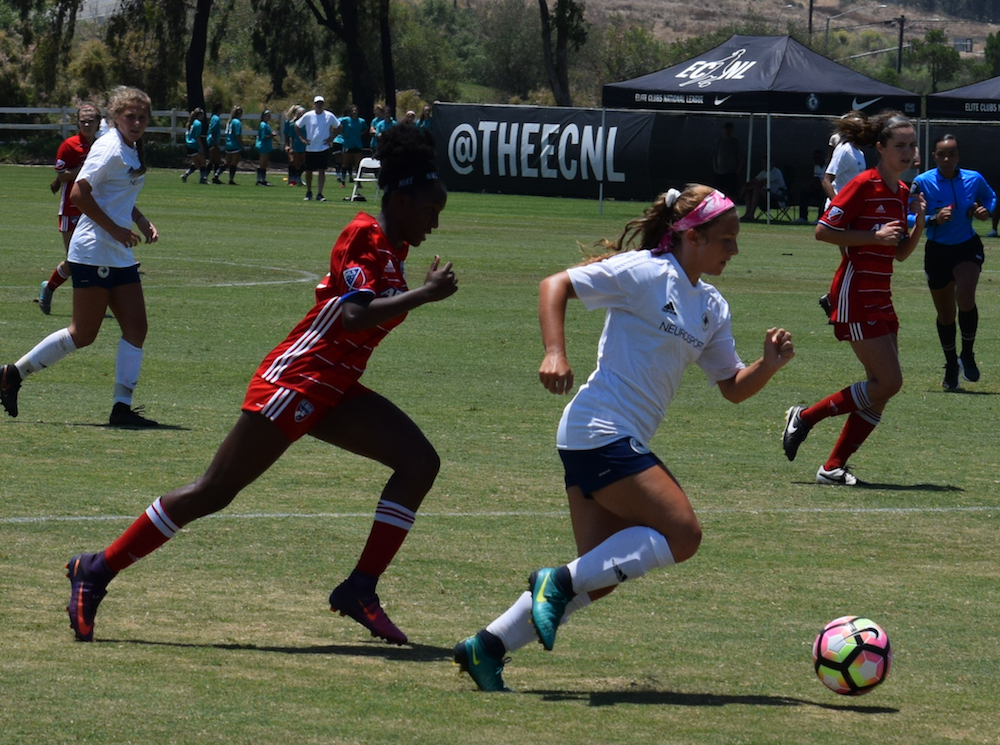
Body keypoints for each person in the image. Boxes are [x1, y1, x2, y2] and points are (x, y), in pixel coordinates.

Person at [62, 123, 458, 646]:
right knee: (214, 491)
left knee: (419, 462)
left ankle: (360, 588)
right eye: (432, 209)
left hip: (334, 387)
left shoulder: (393, 250)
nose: (435, 221)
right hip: (296, 380)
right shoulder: (364, 233)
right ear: (403, 198)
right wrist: (422, 297)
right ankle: (96, 569)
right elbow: (353, 319)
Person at [454, 185, 796, 691]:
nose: (735, 250)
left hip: (603, 437)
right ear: (693, 238)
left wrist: (767, 367)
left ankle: (487, 647)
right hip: (600, 428)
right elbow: (555, 285)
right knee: (684, 535)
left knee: (599, 576)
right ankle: (555, 581)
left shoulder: (712, 306)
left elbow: (731, 388)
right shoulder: (646, 271)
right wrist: (554, 352)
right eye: (726, 239)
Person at [1, 86, 160, 427]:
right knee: (83, 333)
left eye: (142, 117)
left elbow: (115, 196)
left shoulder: (130, 147)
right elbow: (78, 193)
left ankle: (121, 409)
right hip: (94, 250)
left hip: (116, 252)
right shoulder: (110, 147)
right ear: (116, 117)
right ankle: (12, 373)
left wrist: (140, 220)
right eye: (129, 116)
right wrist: (116, 230)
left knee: (136, 327)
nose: (136, 122)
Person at [782, 111, 926, 486]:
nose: (909, 152)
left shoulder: (903, 193)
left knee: (879, 389)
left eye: (912, 145)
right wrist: (873, 236)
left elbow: (899, 254)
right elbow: (823, 232)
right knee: (888, 382)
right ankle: (805, 417)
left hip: (882, 295)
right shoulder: (864, 183)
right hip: (855, 292)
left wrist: (919, 224)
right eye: (901, 145)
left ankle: (832, 467)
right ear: (880, 148)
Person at [910, 134, 996, 389]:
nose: (947, 159)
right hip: (937, 251)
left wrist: (985, 210)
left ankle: (967, 353)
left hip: (967, 247)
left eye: (952, 154)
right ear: (934, 156)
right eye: (942, 154)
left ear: (959, 156)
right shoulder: (922, 182)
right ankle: (951, 364)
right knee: (946, 314)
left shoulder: (973, 178)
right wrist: (934, 219)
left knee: (966, 296)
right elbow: (907, 216)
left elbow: (990, 197)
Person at [39, 102, 101, 316]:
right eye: (83, 120)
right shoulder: (69, 145)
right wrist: (86, 169)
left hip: (93, 210)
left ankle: (92, 307)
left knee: (95, 257)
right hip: (70, 209)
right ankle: (49, 287)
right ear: (77, 122)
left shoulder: (102, 146)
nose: (87, 123)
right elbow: (62, 175)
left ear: (98, 123)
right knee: (75, 259)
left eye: (91, 120)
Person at [296, 95, 341, 202]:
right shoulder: (308, 115)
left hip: (323, 147)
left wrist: (331, 138)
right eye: (317, 103)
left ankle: (320, 193)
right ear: (314, 104)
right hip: (310, 147)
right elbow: (297, 125)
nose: (319, 105)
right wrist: (302, 138)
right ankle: (309, 191)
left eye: (321, 103)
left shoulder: (329, 116)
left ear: (323, 104)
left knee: (322, 171)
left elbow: (339, 126)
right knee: (309, 171)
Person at [823, 111, 867, 208]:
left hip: (852, 207)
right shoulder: (844, 150)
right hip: (839, 210)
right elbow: (827, 180)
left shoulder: (860, 153)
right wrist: (838, 205)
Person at [739, 156, 786, 221]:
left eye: (766, 163)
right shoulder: (763, 172)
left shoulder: (776, 172)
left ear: (772, 163)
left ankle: (751, 214)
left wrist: (748, 188)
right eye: (763, 163)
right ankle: (747, 213)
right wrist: (746, 186)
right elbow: (754, 180)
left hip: (777, 196)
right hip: (766, 194)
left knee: (756, 190)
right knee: (749, 191)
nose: (764, 165)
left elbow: (762, 182)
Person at [339, 104, 367, 196]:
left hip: (357, 145)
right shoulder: (345, 120)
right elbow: (337, 126)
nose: (354, 112)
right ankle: (343, 182)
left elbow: (365, 129)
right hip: (348, 144)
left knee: (358, 165)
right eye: (353, 111)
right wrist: (343, 134)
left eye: (356, 110)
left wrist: (360, 134)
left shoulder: (361, 121)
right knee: (345, 164)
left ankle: (359, 182)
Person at [794, 149, 826, 224]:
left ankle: (820, 218)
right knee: (804, 192)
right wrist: (810, 187)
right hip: (819, 188)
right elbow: (816, 180)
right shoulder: (816, 166)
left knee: (822, 194)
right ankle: (803, 217)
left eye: (817, 158)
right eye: (814, 158)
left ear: (822, 157)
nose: (816, 160)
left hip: (828, 190)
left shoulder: (828, 165)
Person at [711, 121, 742, 202]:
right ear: (723, 130)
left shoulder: (735, 143)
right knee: (718, 192)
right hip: (719, 172)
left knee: (732, 192)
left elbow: (740, 158)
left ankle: (731, 208)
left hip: (731, 172)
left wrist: (736, 171)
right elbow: (714, 156)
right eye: (727, 130)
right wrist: (715, 169)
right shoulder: (719, 142)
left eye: (730, 130)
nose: (728, 132)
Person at [180, 107, 208, 185]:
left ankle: (185, 175)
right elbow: (197, 137)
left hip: (189, 144)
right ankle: (203, 179)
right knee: (203, 162)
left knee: (196, 163)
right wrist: (201, 147)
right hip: (194, 144)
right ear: (199, 115)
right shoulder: (198, 123)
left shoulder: (192, 122)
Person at [283, 104, 306, 186]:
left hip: (304, 145)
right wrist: (288, 146)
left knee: (304, 162)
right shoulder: (291, 123)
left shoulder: (306, 124)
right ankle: (292, 179)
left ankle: (298, 177)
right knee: (293, 162)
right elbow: (289, 136)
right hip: (295, 145)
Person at [255, 109, 277, 186]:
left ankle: (263, 180)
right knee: (262, 163)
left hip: (267, 146)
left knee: (265, 164)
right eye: (268, 115)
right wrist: (272, 135)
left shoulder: (267, 124)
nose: (269, 117)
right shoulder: (263, 125)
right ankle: (259, 180)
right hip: (263, 146)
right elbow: (264, 136)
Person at [223, 104, 244, 185]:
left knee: (227, 163)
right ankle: (231, 179)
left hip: (228, 143)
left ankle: (217, 174)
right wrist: (242, 144)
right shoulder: (237, 122)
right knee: (233, 163)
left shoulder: (230, 121)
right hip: (235, 144)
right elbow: (237, 135)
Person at [206, 101, 225, 184]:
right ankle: (214, 177)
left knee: (212, 160)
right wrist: (215, 143)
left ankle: (206, 176)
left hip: (212, 140)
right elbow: (213, 131)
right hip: (213, 141)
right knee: (217, 160)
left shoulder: (214, 117)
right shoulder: (216, 118)